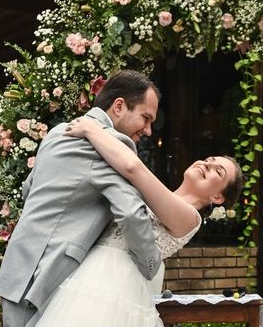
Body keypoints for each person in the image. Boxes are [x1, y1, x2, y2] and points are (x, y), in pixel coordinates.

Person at [32, 117, 243, 327]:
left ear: (217, 198)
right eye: (209, 160)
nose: (208, 164)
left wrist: (91, 129)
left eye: (218, 171)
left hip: (117, 282)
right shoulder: (163, 197)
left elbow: (133, 168)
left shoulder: (190, 218)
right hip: (90, 270)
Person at [0, 70, 163, 327]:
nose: (149, 130)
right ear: (119, 106)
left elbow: (29, 189)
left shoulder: (58, 132)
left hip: (17, 268)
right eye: (145, 117)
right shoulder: (113, 144)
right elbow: (130, 213)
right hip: (50, 277)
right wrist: (153, 267)